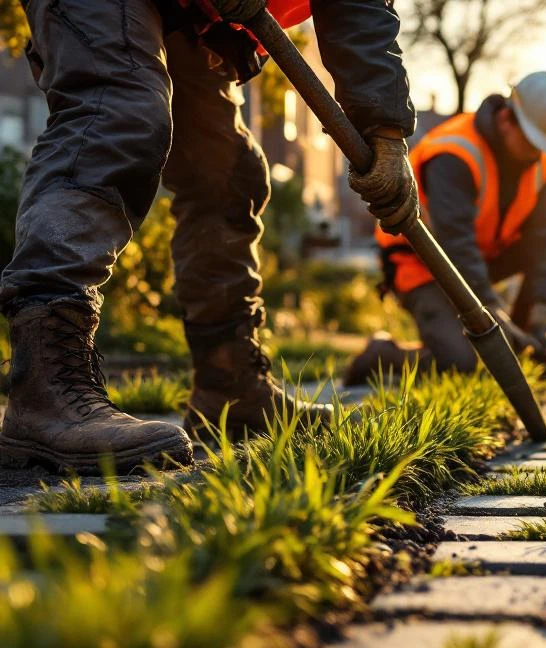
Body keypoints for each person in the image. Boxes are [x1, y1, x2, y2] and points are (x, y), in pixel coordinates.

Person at [0, 0, 419, 473]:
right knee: (116, 114)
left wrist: (385, 130)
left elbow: (358, 7)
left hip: (192, 11)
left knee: (226, 169)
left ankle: (229, 383)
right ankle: (47, 387)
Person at [346, 71, 546, 385]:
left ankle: (523, 348)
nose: (535, 154)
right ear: (508, 119)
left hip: (477, 261)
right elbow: (456, 246)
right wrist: (493, 312)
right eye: (530, 143)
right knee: (463, 365)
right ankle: (381, 357)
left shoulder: (537, 162)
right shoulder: (454, 153)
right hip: (422, 265)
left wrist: (540, 323)